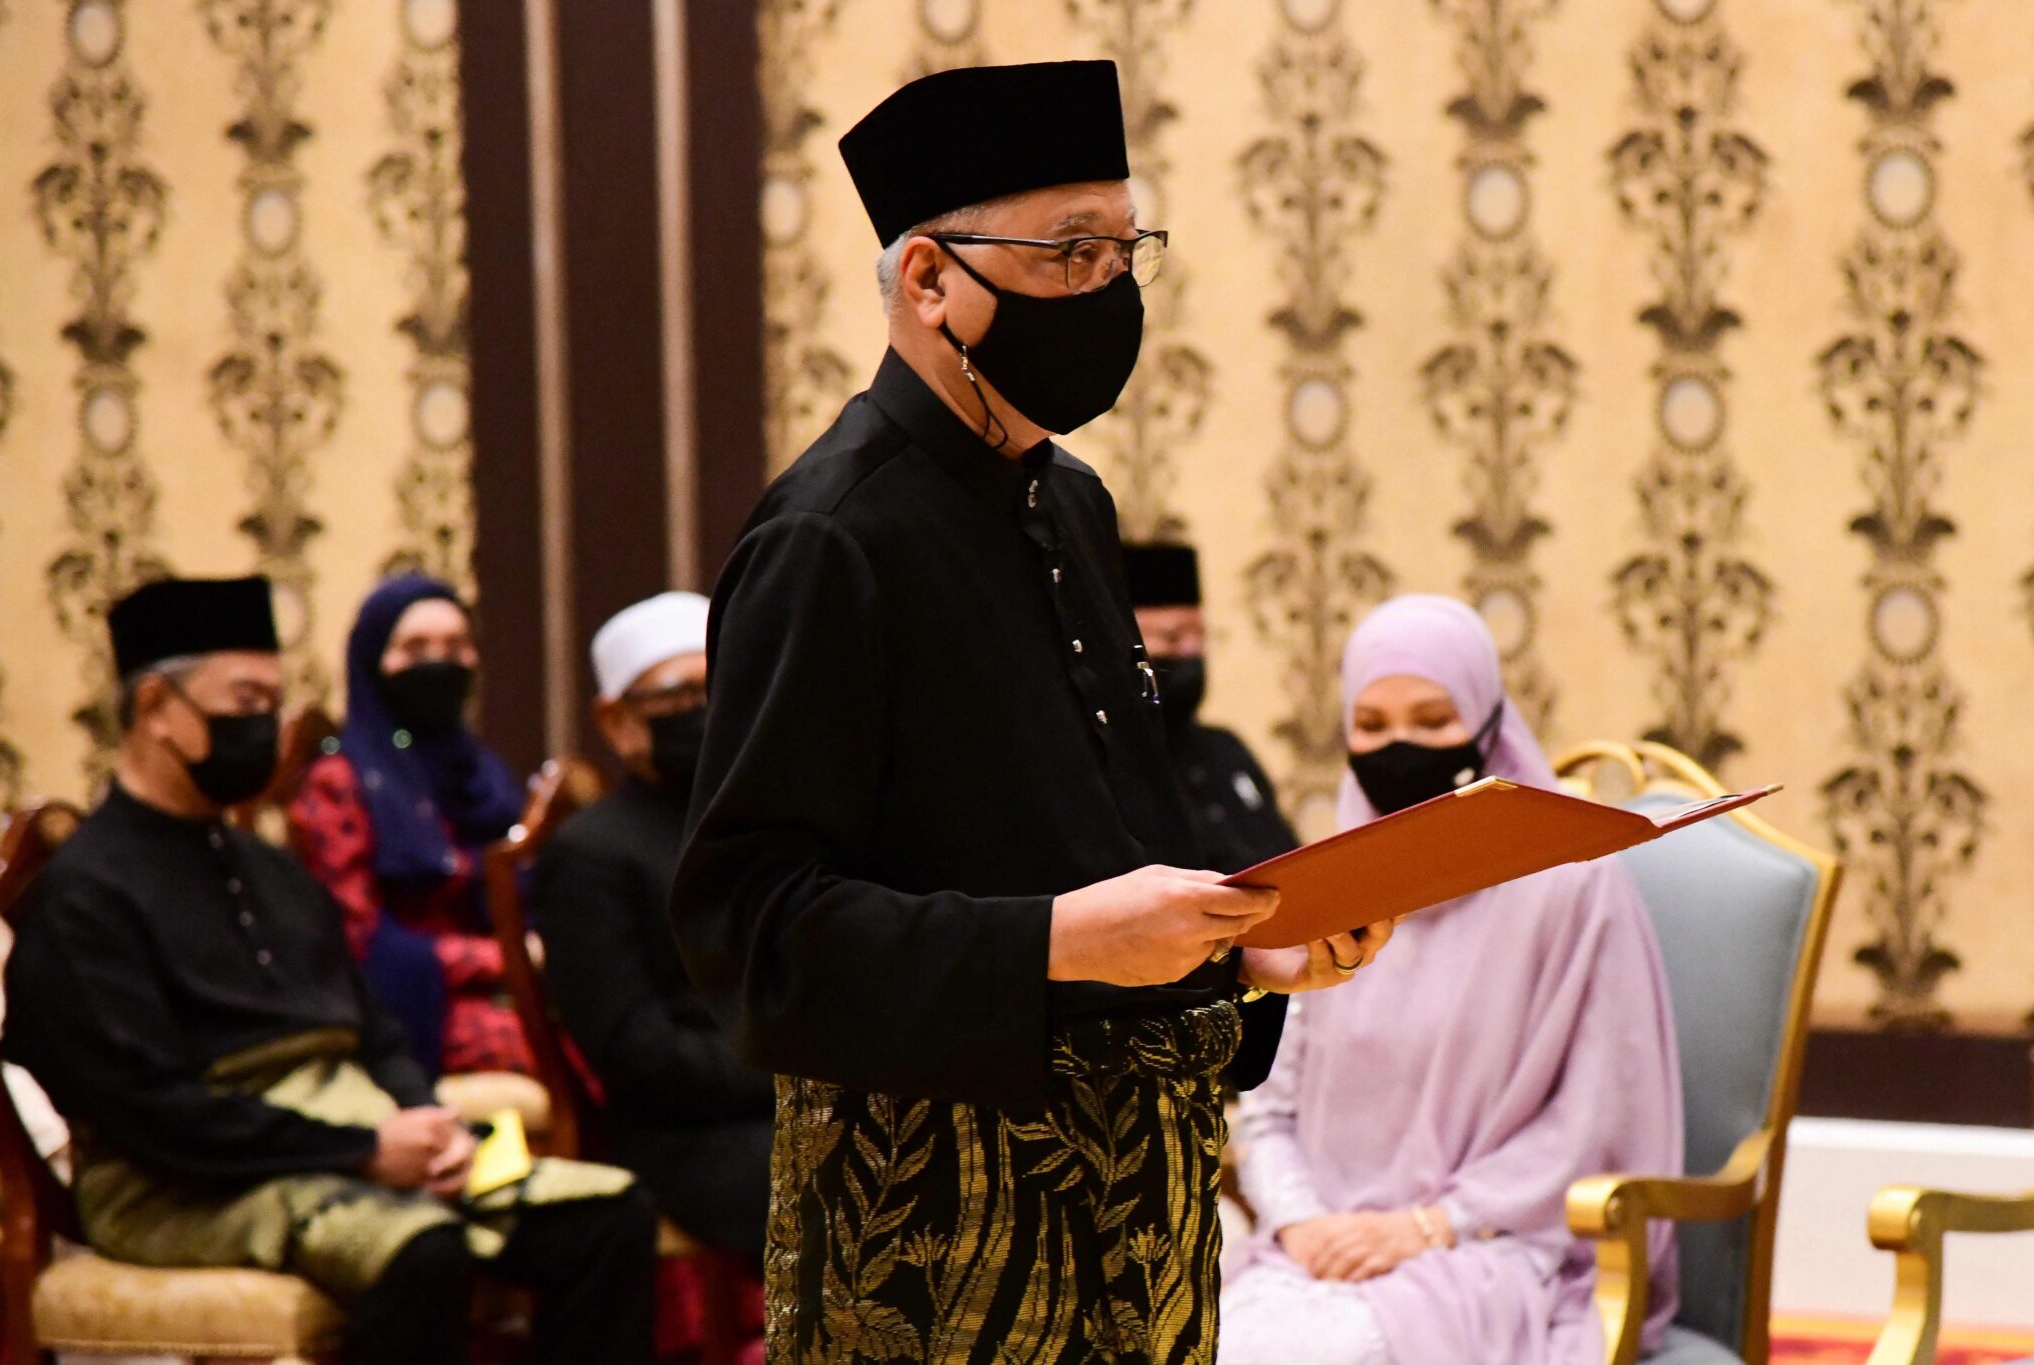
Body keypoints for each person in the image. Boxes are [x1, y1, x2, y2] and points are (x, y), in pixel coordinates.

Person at [671, 60, 1383, 1365]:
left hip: (1147, 1206)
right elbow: (752, 932)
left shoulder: (1076, 505)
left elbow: (1106, 855)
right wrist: (1054, 942)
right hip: (937, 1230)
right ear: (933, 282)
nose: (1109, 290)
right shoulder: (828, 538)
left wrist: (1249, 951)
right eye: (1069, 252)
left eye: (1125, 250)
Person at [2, 575, 656, 1365]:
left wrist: (427, 1124)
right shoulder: (85, 893)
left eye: (273, 701)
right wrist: (361, 1149)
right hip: (179, 1178)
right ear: (155, 710)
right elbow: (154, 1111)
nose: (265, 728)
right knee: (424, 1250)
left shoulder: (269, 870)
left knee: (608, 1215)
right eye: (243, 700)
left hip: (347, 1129)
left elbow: (370, 1026)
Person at [1220, 595, 1683, 1365]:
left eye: (1433, 721)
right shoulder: (1331, 887)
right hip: (1316, 1254)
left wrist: (1425, 1227)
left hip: (1495, 1251)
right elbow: (1270, 1113)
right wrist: (1303, 1223)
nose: (1400, 747)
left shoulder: (1570, 879)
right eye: (1371, 726)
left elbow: (1598, 1114)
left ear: (1489, 724)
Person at [534, 591, 772, 1258]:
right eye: (679, 696)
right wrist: (788, 1070)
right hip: (690, 1139)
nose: (706, 711)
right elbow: (634, 1051)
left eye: (719, 688)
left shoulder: (755, 825)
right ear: (617, 721)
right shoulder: (589, 855)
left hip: (788, 1105)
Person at [289, 574, 530, 1078]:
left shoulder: (477, 771)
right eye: (415, 648)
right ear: (374, 661)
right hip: (409, 1004)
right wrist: (501, 959)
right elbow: (358, 940)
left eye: (456, 646)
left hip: (513, 981)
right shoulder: (339, 781)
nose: (439, 663)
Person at [1123, 541, 1298, 875]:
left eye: (1199, 636)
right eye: (1173, 638)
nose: (1191, 651)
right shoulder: (1109, 766)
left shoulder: (1226, 749)